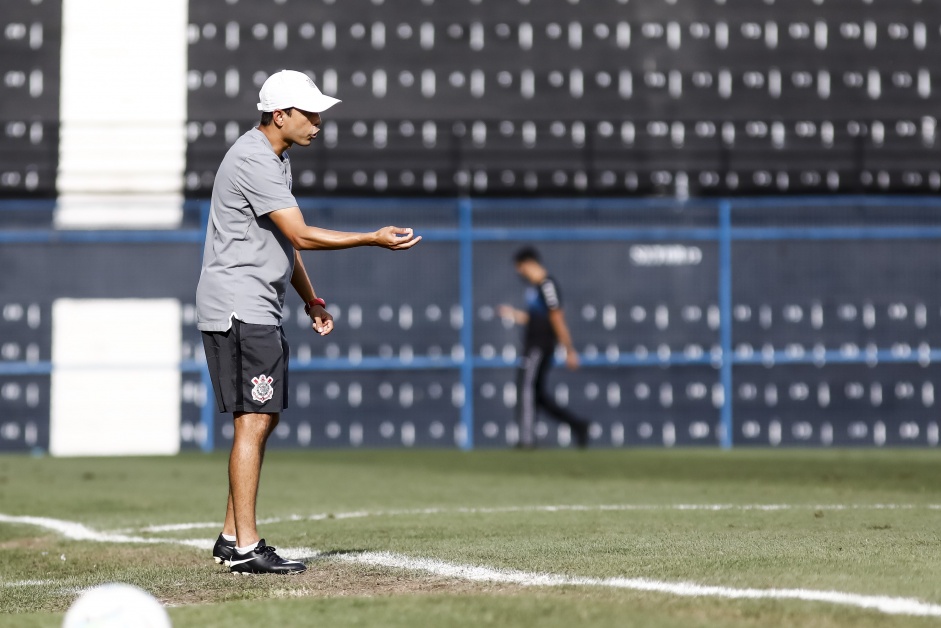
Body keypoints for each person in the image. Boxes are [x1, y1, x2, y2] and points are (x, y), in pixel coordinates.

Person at [196, 70, 421, 575]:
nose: (319, 122)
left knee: (262, 416)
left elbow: (283, 244)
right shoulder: (256, 159)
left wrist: (310, 299)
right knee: (252, 421)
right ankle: (246, 548)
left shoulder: (274, 157)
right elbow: (301, 235)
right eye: (311, 113)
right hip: (240, 306)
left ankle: (233, 535)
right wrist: (372, 237)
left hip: (256, 305)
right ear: (281, 116)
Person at [498, 247, 590, 449]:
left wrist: (569, 350)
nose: (519, 273)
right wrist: (513, 314)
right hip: (535, 346)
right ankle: (578, 426)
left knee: (526, 389)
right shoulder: (534, 289)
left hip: (539, 347)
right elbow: (537, 319)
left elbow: (557, 318)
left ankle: (526, 440)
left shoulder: (547, 285)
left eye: (520, 268)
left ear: (529, 264)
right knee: (538, 396)